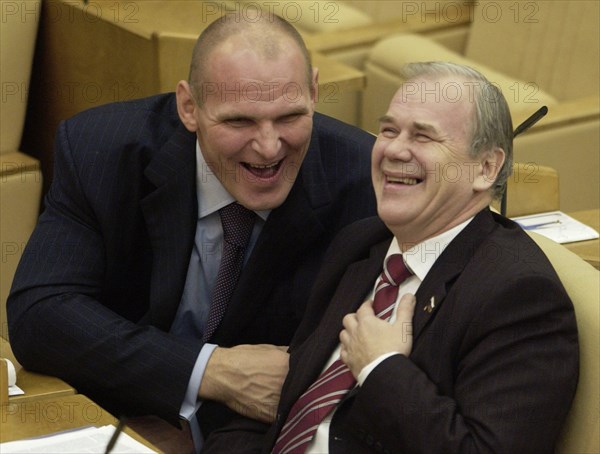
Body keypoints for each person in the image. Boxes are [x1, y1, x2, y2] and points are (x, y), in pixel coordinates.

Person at [6, 10, 377, 449]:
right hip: (122, 422)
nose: (269, 147)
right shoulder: (102, 149)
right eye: (239, 122)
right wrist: (208, 371)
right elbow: (41, 316)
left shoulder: (363, 180)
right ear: (189, 107)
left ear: (314, 92)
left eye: (289, 117)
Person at [204, 62, 579, 453]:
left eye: (423, 136)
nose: (394, 149)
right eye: (388, 130)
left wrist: (381, 368)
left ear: (485, 168)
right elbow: (285, 405)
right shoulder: (362, 245)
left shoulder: (518, 295)